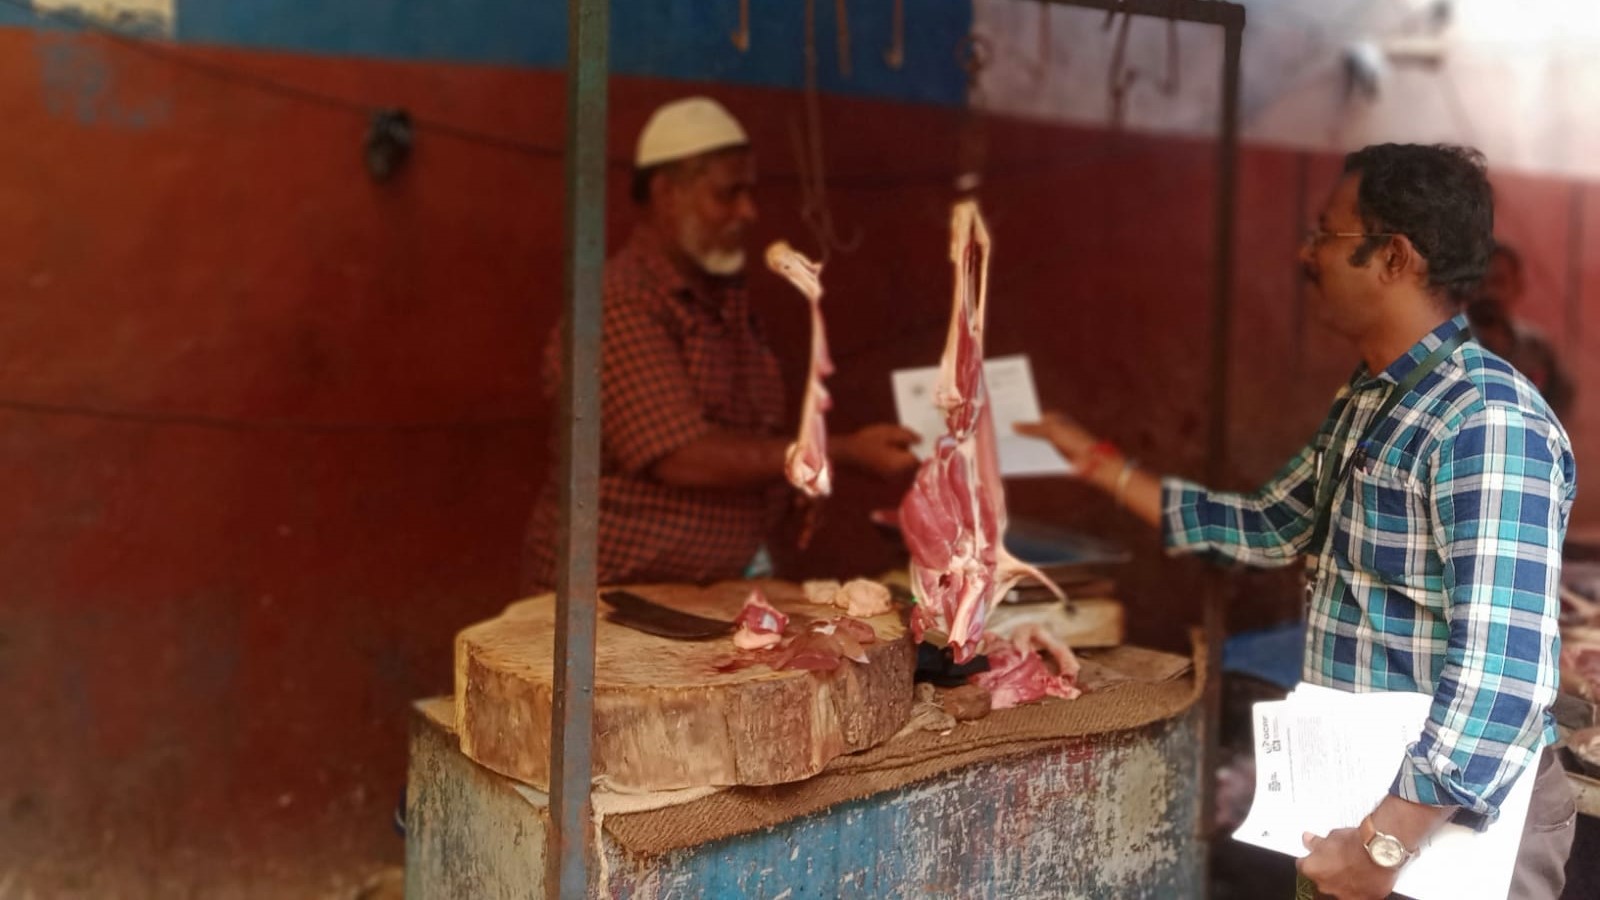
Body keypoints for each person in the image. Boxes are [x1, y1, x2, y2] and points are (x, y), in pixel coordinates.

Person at [1020, 144, 1576, 900]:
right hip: (1364, 805)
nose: (1304, 252)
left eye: (1328, 234)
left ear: (1395, 258)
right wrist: (1093, 459)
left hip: (1444, 829)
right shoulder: (1374, 397)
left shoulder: (1486, 421)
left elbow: (1501, 674)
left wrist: (1384, 845)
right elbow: (1266, 526)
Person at [522, 96, 919, 591]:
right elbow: (682, 457)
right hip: (619, 600)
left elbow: (749, 431)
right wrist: (835, 452)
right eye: (728, 195)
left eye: (749, 193)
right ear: (666, 192)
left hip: (716, 588)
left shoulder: (723, 300)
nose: (748, 212)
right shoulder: (619, 305)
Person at [1474, 242, 1575, 421]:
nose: (1489, 292)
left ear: (1517, 286)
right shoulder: (1450, 347)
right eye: (1480, 283)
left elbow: (1561, 400)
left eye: (1499, 282)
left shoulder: (1536, 349)